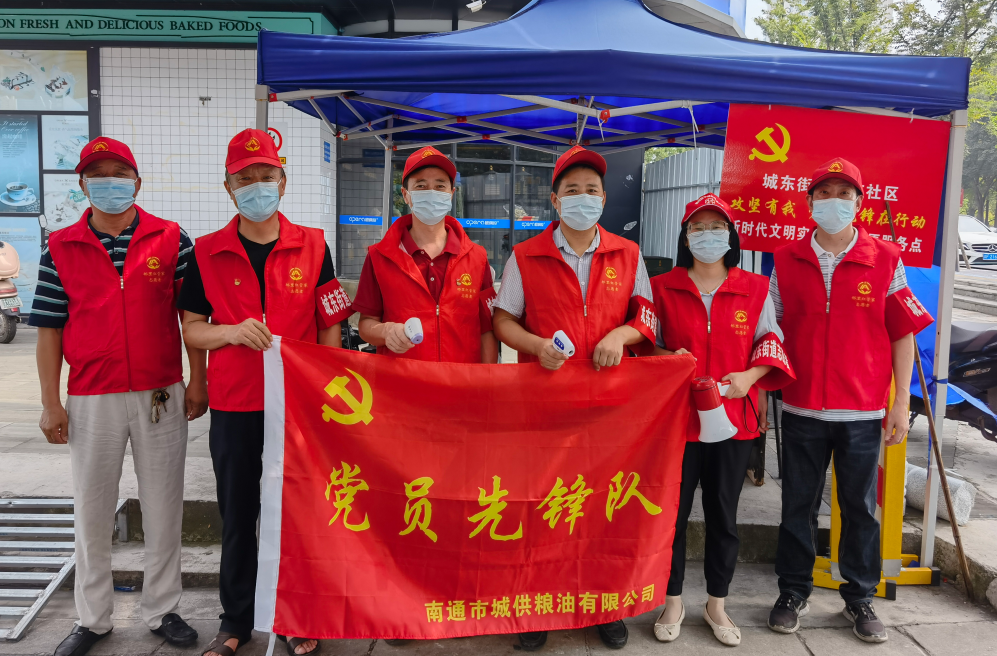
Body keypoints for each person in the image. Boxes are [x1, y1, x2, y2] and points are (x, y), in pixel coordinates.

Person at [178, 129, 353, 656]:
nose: (257, 186)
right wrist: (230, 333)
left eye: (266, 176)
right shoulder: (206, 252)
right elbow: (192, 329)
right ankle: (235, 621)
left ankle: (297, 616)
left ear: (283, 181)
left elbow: (331, 322)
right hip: (235, 404)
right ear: (228, 188)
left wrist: (327, 391)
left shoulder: (314, 245)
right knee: (238, 514)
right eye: (245, 179)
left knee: (297, 512)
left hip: (297, 406)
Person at [30, 137, 205, 656]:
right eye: (98, 174)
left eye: (119, 172)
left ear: (137, 181)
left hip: (160, 392)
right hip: (91, 395)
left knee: (164, 505)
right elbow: (49, 331)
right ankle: (93, 618)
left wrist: (197, 378)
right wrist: (50, 402)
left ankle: (162, 609)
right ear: (83, 185)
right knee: (92, 509)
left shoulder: (172, 238)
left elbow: (192, 318)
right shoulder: (60, 247)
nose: (110, 182)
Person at [492, 145, 657, 651]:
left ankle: (604, 605)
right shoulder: (526, 256)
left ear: (603, 199)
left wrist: (622, 335)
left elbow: (647, 316)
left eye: (591, 191)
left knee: (603, 508)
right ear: (555, 200)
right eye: (572, 191)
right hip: (545, 406)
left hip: (611, 409)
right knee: (543, 508)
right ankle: (536, 607)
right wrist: (535, 346)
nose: (582, 198)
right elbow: (502, 319)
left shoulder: (628, 254)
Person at [766, 158, 933, 644]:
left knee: (859, 508)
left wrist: (900, 404)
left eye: (844, 193)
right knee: (796, 504)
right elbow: (771, 328)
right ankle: (792, 591)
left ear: (859, 203)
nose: (833, 201)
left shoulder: (886, 258)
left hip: (862, 410)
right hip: (801, 406)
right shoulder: (786, 258)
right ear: (809, 202)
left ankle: (859, 596)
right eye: (824, 193)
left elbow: (902, 333)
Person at [649, 193, 795, 647]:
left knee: (723, 516)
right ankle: (672, 600)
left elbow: (770, 341)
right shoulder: (662, 287)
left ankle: (717, 603)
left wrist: (750, 377)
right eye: (698, 227)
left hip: (734, 421)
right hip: (676, 423)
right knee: (671, 517)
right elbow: (644, 344)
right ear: (685, 237)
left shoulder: (755, 287)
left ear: (731, 236)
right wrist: (667, 357)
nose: (708, 235)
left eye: (717, 227)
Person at [353, 146, 498, 365]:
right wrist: (386, 331)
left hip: (462, 380)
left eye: (440, 186)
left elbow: (487, 328)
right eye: (421, 186)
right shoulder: (379, 257)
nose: (431, 193)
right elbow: (366, 324)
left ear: (451, 194)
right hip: (404, 380)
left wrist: (488, 379)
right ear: (406, 195)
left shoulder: (477, 257)